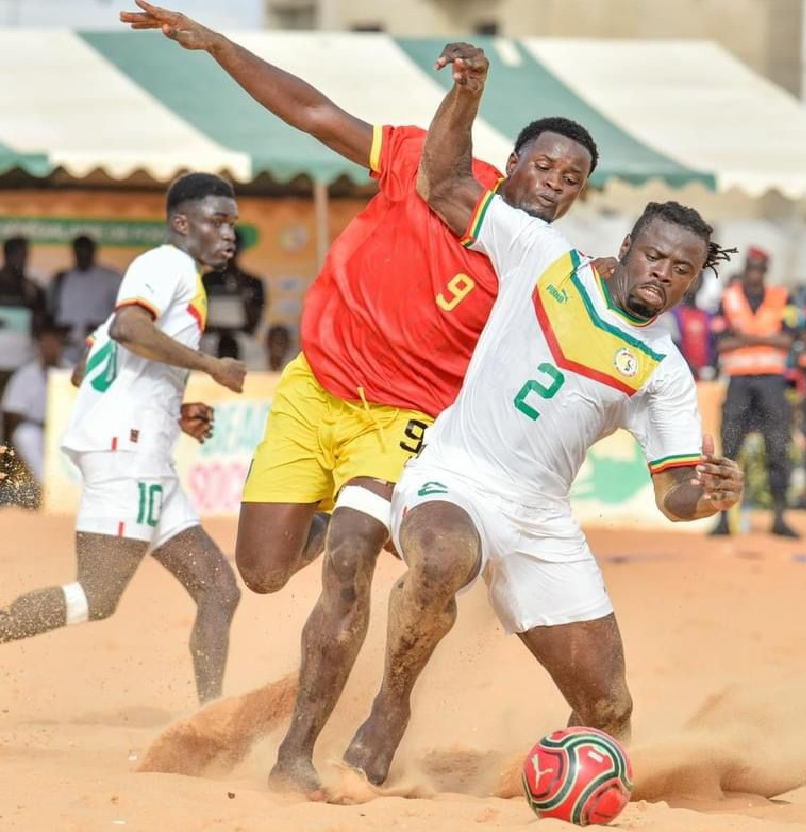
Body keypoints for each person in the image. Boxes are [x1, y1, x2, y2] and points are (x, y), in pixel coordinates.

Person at [121, 3, 603, 794]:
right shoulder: (421, 163)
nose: (553, 186)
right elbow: (310, 110)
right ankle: (327, 520)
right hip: (318, 389)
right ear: (510, 161)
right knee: (265, 572)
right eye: (544, 167)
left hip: (406, 424)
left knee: (347, 564)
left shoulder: (544, 271)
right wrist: (219, 45)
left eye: (571, 181)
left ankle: (296, 756)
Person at [342, 48, 744, 786]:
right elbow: (444, 181)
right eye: (654, 255)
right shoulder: (543, 256)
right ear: (628, 248)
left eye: (681, 269)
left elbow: (673, 495)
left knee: (610, 711)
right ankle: (390, 705)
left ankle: (562, 784)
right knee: (438, 561)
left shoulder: (665, 370)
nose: (663, 272)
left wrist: (712, 493)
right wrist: (468, 96)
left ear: (692, 281)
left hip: (541, 519)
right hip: (457, 476)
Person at [0, 173, 247, 704]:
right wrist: (210, 366)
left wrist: (170, 411)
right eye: (217, 220)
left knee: (219, 591)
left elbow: (87, 366)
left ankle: (209, 720)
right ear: (182, 223)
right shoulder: (167, 264)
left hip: (142, 450)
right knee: (96, 597)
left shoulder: (168, 274)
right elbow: (128, 330)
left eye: (232, 222)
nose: (229, 233)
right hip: (127, 455)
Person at [710, 247, 800, 537]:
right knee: (730, 450)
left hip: (772, 383)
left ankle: (779, 518)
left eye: (760, 268)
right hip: (739, 383)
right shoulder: (729, 297)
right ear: (745, 268)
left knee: (778, 447)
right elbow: (722, 345)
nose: (755, 274)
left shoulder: (781, 297)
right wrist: (765, 338)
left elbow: (789, 339)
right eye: (751, 267)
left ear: (766, 270)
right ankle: (722, 519)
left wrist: (743, 337)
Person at [1, 315, 70, 491]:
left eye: (55, 342)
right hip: (36, 428)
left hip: (66, 430)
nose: (50, 346)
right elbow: (11, 412)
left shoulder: (72, 371)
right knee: (25, 435)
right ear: (39, 344)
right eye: (46, 342)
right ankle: (47, 486)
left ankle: (70, 490)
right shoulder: (25, 374)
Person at [50, 235, 122, 364]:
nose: (82, 255)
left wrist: (101, 325)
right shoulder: (62, 278)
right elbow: (52, 312)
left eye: (86, 251)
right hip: (68, 349)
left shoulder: (111, 278)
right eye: (79, 251)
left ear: (93, 251)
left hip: (99, 345)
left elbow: (121, 313)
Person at [202, 228, 266, 360]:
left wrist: (242, 293)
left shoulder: (253, 282)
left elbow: (255, 323)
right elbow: (199, 319)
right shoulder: (206, 280)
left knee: (254, 352)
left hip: (242, 339)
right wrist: (222, 332)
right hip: (210, 339)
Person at [0, 236, 46, 402]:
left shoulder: (34, 289)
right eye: (17, 255)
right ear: (6, 255)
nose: (21, 260)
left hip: (22, 361)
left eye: (25, 256)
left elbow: (41, 326)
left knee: (14, 410)